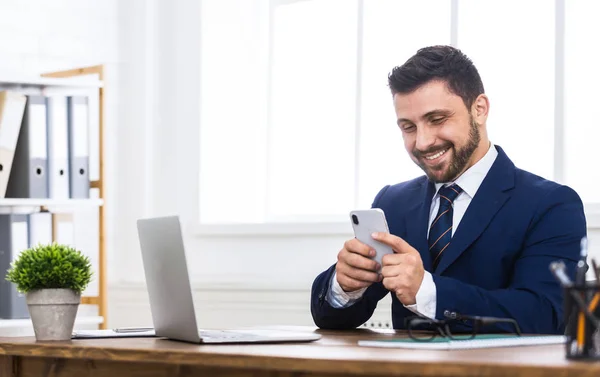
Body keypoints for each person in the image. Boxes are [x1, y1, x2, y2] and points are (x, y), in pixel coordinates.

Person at [310, 45, 586, 335]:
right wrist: (344, 285)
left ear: (479, 109)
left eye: (437, 120)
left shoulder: (552, 205)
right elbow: (333, 318)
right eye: (408, 127)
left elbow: (544, 315)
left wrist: (428, 292)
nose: (422, 142)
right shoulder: (392, 202)